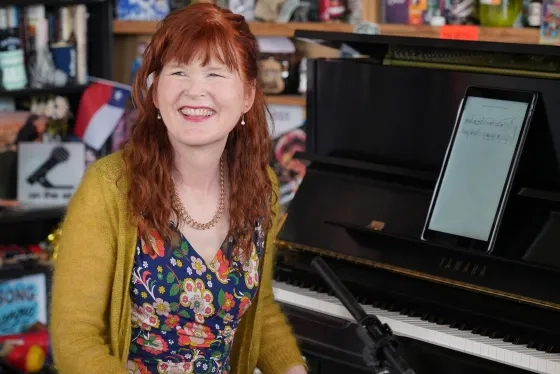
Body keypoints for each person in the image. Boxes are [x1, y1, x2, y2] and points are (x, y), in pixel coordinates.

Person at [49, 4, 307, 374]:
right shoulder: (108, 187)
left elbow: (259, 310)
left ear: (248, 95)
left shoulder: (260, 185)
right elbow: (76, 339)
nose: (195, 90)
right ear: (156, 90)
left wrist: (292, 369)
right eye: (180, 71)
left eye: (216, 73)